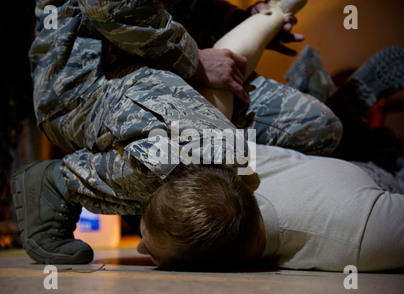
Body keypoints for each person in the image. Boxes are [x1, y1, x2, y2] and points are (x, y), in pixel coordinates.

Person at [12, 0, 342, 265]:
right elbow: (111, 6)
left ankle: (162, 194)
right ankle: (62, 183)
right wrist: (194, 59)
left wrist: (238, 19)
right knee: (216, 152)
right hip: (91, 81)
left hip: (173, 71)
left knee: (317, 128)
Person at [137, 141, 404, 272]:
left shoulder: (362, 233)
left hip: (379, 184)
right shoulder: (241, 158)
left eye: (151, 254)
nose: (137, 249)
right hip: (330, 168)